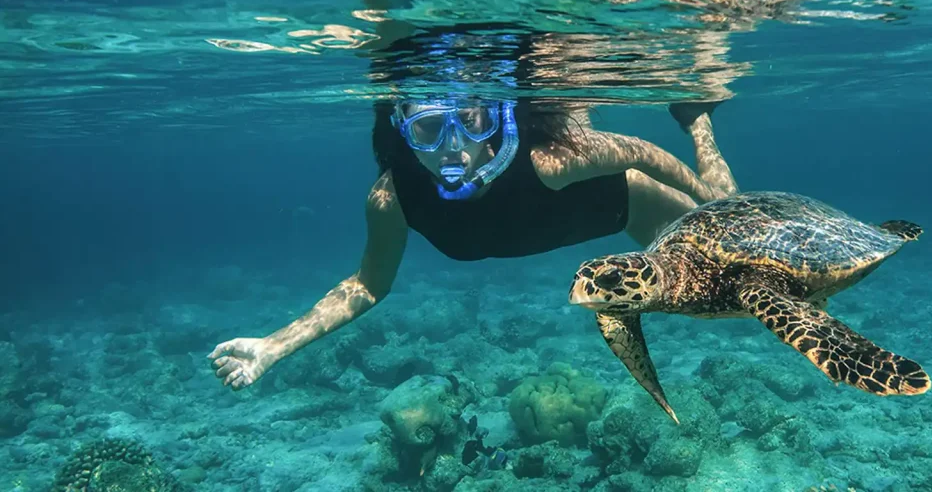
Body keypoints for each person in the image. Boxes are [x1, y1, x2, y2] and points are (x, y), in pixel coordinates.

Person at [208, 86, 739, 389]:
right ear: (403, 135)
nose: (451, 148)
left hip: (625, 203)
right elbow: (368, 285)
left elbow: (645, 155)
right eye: (427, 130)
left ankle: (695, 119)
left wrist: (717, 209)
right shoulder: (393, 200)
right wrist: (270, 348)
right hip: (581, 211)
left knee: (728, 257)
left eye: (470, 122)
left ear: (496, 118)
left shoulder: (552, 160)